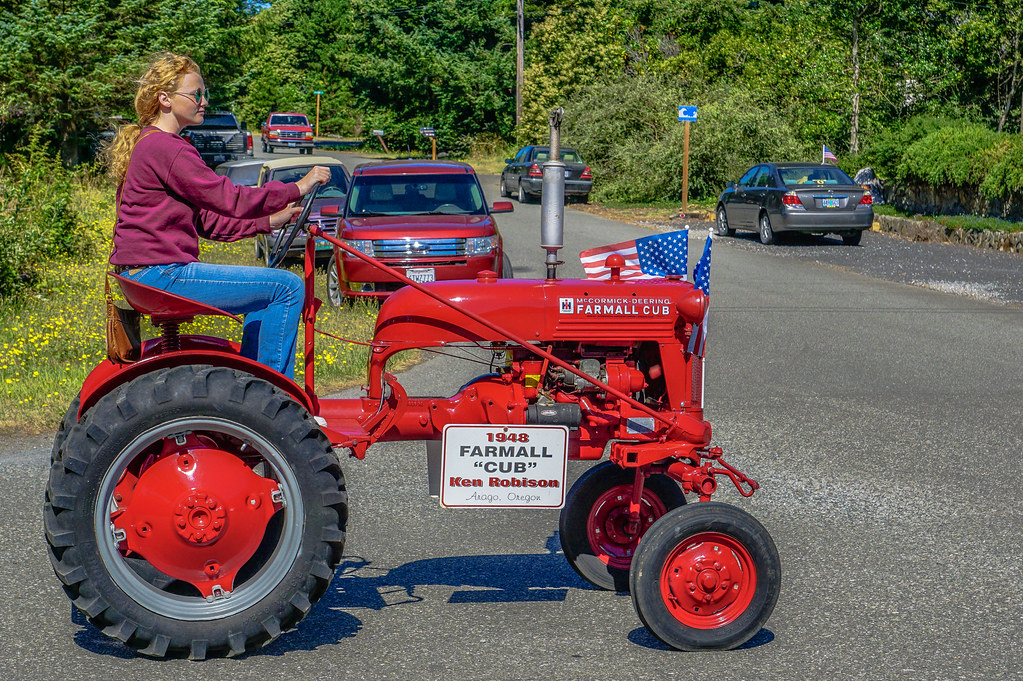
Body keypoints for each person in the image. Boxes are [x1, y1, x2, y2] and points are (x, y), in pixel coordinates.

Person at [102, 53, 330, 378]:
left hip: (145, 275)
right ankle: (273, 399)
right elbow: (229, 198)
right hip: (161, 275)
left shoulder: (152, 144)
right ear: (165, 99)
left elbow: (206, 221)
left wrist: (268, 222)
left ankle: (253, 392)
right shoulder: (167, 148)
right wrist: (298, 187)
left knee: (265, 296)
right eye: (196, 94)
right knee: (288, 287)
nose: (204, 101)